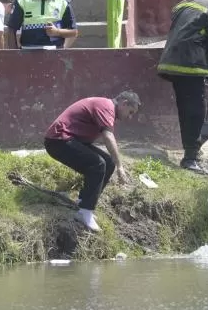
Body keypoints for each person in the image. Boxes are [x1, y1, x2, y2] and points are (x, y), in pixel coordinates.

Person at [157, 0, 208, 174]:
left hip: (171, 64)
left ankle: (190, 153)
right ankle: (191, 158)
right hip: (192, 66)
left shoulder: (181, 5)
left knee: (186, 109)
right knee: (196, 111)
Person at [43, 92, 141, 232]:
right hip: (58, 141)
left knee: (108, 163)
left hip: (71, 141)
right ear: (124, 103)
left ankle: (83, 203)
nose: (129, 117)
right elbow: (108, 136)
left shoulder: (107, 108)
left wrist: (115, 164)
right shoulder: (106, 106)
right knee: (98, 164)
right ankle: (85, 211)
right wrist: (121, 167)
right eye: (130, 112)